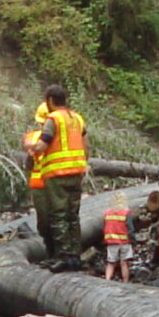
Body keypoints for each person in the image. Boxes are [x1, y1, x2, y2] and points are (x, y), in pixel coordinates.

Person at [29, 82, 89, 263]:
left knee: (59, 215)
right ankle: (75, 254)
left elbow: (44, 142)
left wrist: (34, 148)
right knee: (73, 215)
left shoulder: (53, 119)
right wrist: (84, 164)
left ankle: (63, 256)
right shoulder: (77, 118)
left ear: (50, 100)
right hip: (77, 172)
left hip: (57, 174)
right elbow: (86, 145)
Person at [101, 192, 134, 281]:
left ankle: (107, 280)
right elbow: (130, 228)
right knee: (124, 263)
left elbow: (104, 227)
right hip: (125, 242)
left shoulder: (107, 213)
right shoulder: (126, 212)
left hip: (111, 242)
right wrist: (133, 240)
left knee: (110, 263)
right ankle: (125, 282)